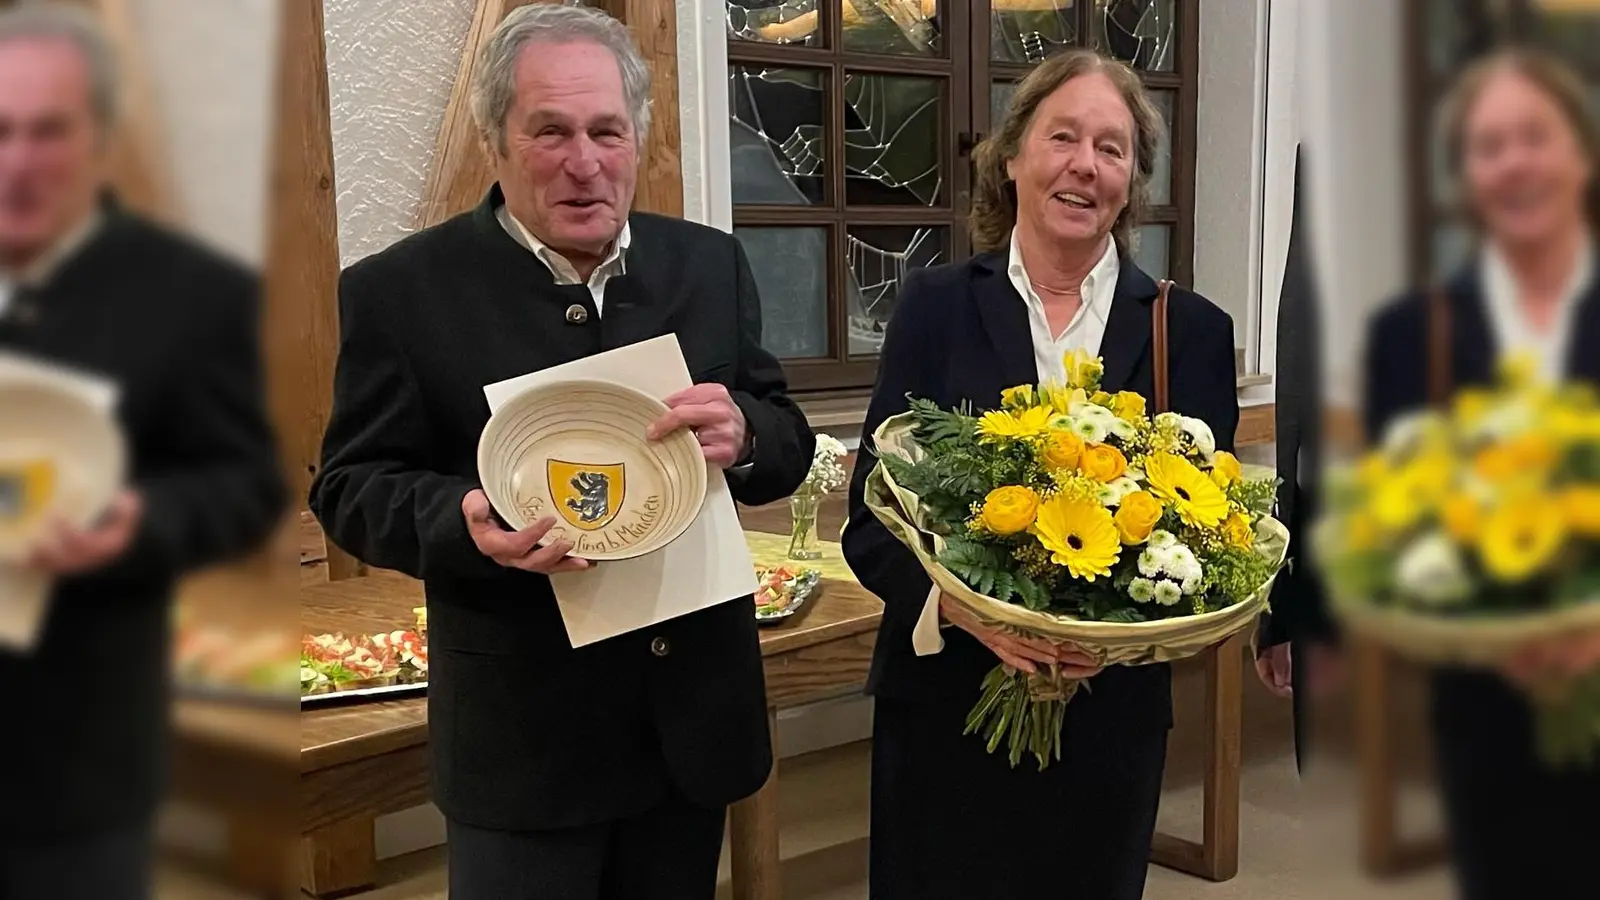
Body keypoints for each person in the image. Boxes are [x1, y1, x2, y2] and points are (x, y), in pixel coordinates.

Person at [309, 6, 814, 898]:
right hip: (524, 745)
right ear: (494, 141)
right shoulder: (400, 292)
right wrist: (463, 520)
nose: (584, 162)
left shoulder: (707, 266)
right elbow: (349, 486)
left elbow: (783, 436)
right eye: (550, 132)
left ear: (638, 138)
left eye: (606, 131)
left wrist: (745, 432)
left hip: (689, 725)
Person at [842, 49, 1239, 900]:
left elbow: (1212, 542)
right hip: (945, 702)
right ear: (1012, 156)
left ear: (1131, 184)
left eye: (1111, 148)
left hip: (1109, 723)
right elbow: (870, 520)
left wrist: (1116, 630)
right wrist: (963, 606)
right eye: (1063, 137)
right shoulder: (934, 308)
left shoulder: (1191, 332)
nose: (1084, 165)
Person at [0, 5, 285, 898]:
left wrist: (141, 523)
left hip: (76, 765)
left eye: (48, 132)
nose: (18, 162)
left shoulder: (192, 293)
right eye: (0, 131)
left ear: (101, 139)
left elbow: (245, 484)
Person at [1360, 49, 1600, 900]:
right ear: (1466, 177)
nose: (1515, 163)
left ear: (1582, 152)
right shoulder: (1411, 333)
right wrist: (1494, 629)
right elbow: (1396, 529)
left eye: (1535, 135)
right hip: (1486, 710)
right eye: (1488, 146)